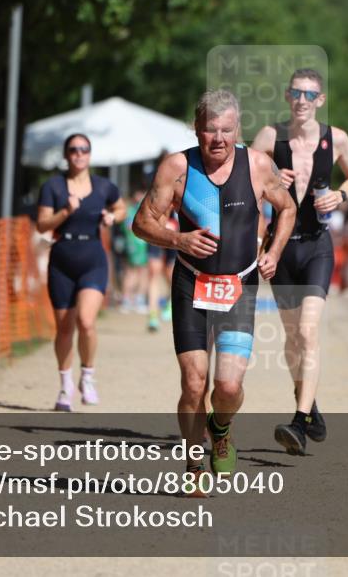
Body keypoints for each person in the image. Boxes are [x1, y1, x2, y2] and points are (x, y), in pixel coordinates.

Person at [133, 89, 295, 491]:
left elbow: (288, 207)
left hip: (239, 284)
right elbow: (142, 223)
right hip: (191, 282)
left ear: (237, 129)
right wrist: (179, 241)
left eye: (226, 130)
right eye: (209, 130)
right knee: (193, 382)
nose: (218, 139)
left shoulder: (257, 165)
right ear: (197, 128)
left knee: (228, 387)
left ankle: (219, 428)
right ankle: (193, 467)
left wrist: (272, 251)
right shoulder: (177, 167)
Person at [251, 68, 348, 456]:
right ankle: (307, 400)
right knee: (292, 335)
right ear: (287, 96)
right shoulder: (269, 137)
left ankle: (298, 422)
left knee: (310, 332)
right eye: (296, 93)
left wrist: (341, 195)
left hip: (317, 246)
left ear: (320, 100)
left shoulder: (337, 139)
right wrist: (268, 179)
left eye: (309, 94)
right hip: (280, 249)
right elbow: (244, 180)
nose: (301, 100)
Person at [36, 134, 127, 411]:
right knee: (64, 328)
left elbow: (121, 207)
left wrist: (113, 217)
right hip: (62, 261)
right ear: (66, 155)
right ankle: (65, 387)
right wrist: (65, 211)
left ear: (90, 154)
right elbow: (41, 225)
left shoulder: (103, 187)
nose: (79, 154)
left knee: (86, 322)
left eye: (84, 150)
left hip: (93, 260)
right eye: (73, 150)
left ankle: (87, 376)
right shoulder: (53, 186)